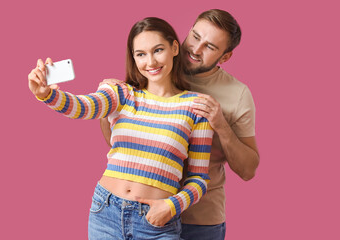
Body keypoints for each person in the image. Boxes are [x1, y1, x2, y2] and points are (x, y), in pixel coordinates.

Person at [27, 17, 213, 240]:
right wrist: (46, 94)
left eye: (158, 50)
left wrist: (172, 206)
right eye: (141, 54)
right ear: (133, 58)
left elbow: (199, 178)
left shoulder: (196, 106)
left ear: (174, 48)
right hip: (106, 212)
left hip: (156, 222)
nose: (151, 62)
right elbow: (83, 107)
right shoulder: (121, 93)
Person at [99, 9, 260, 240]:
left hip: (199, 220)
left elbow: (248, 170)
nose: (196, 49)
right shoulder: (153, 69)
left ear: (224, 57)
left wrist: (221, 125)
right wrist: (110, 106)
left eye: (210, 47)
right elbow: (115, 144)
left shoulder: (238, 94)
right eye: (195, 37)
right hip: (139, 211)